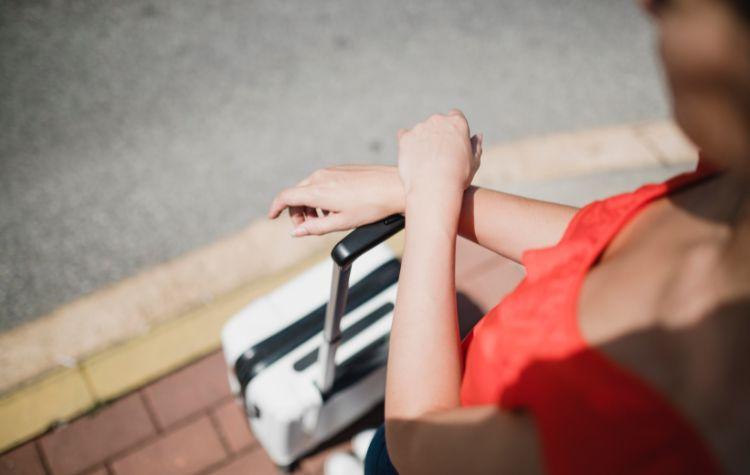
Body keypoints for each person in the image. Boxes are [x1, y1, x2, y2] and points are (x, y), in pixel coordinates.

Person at [268, 0, 750, 472]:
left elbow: (418, 444)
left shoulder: (672, 419)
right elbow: (604, 239)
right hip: (437, 393)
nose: (647, 5)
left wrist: (433, 192)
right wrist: (412, 190)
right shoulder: (734, 179)